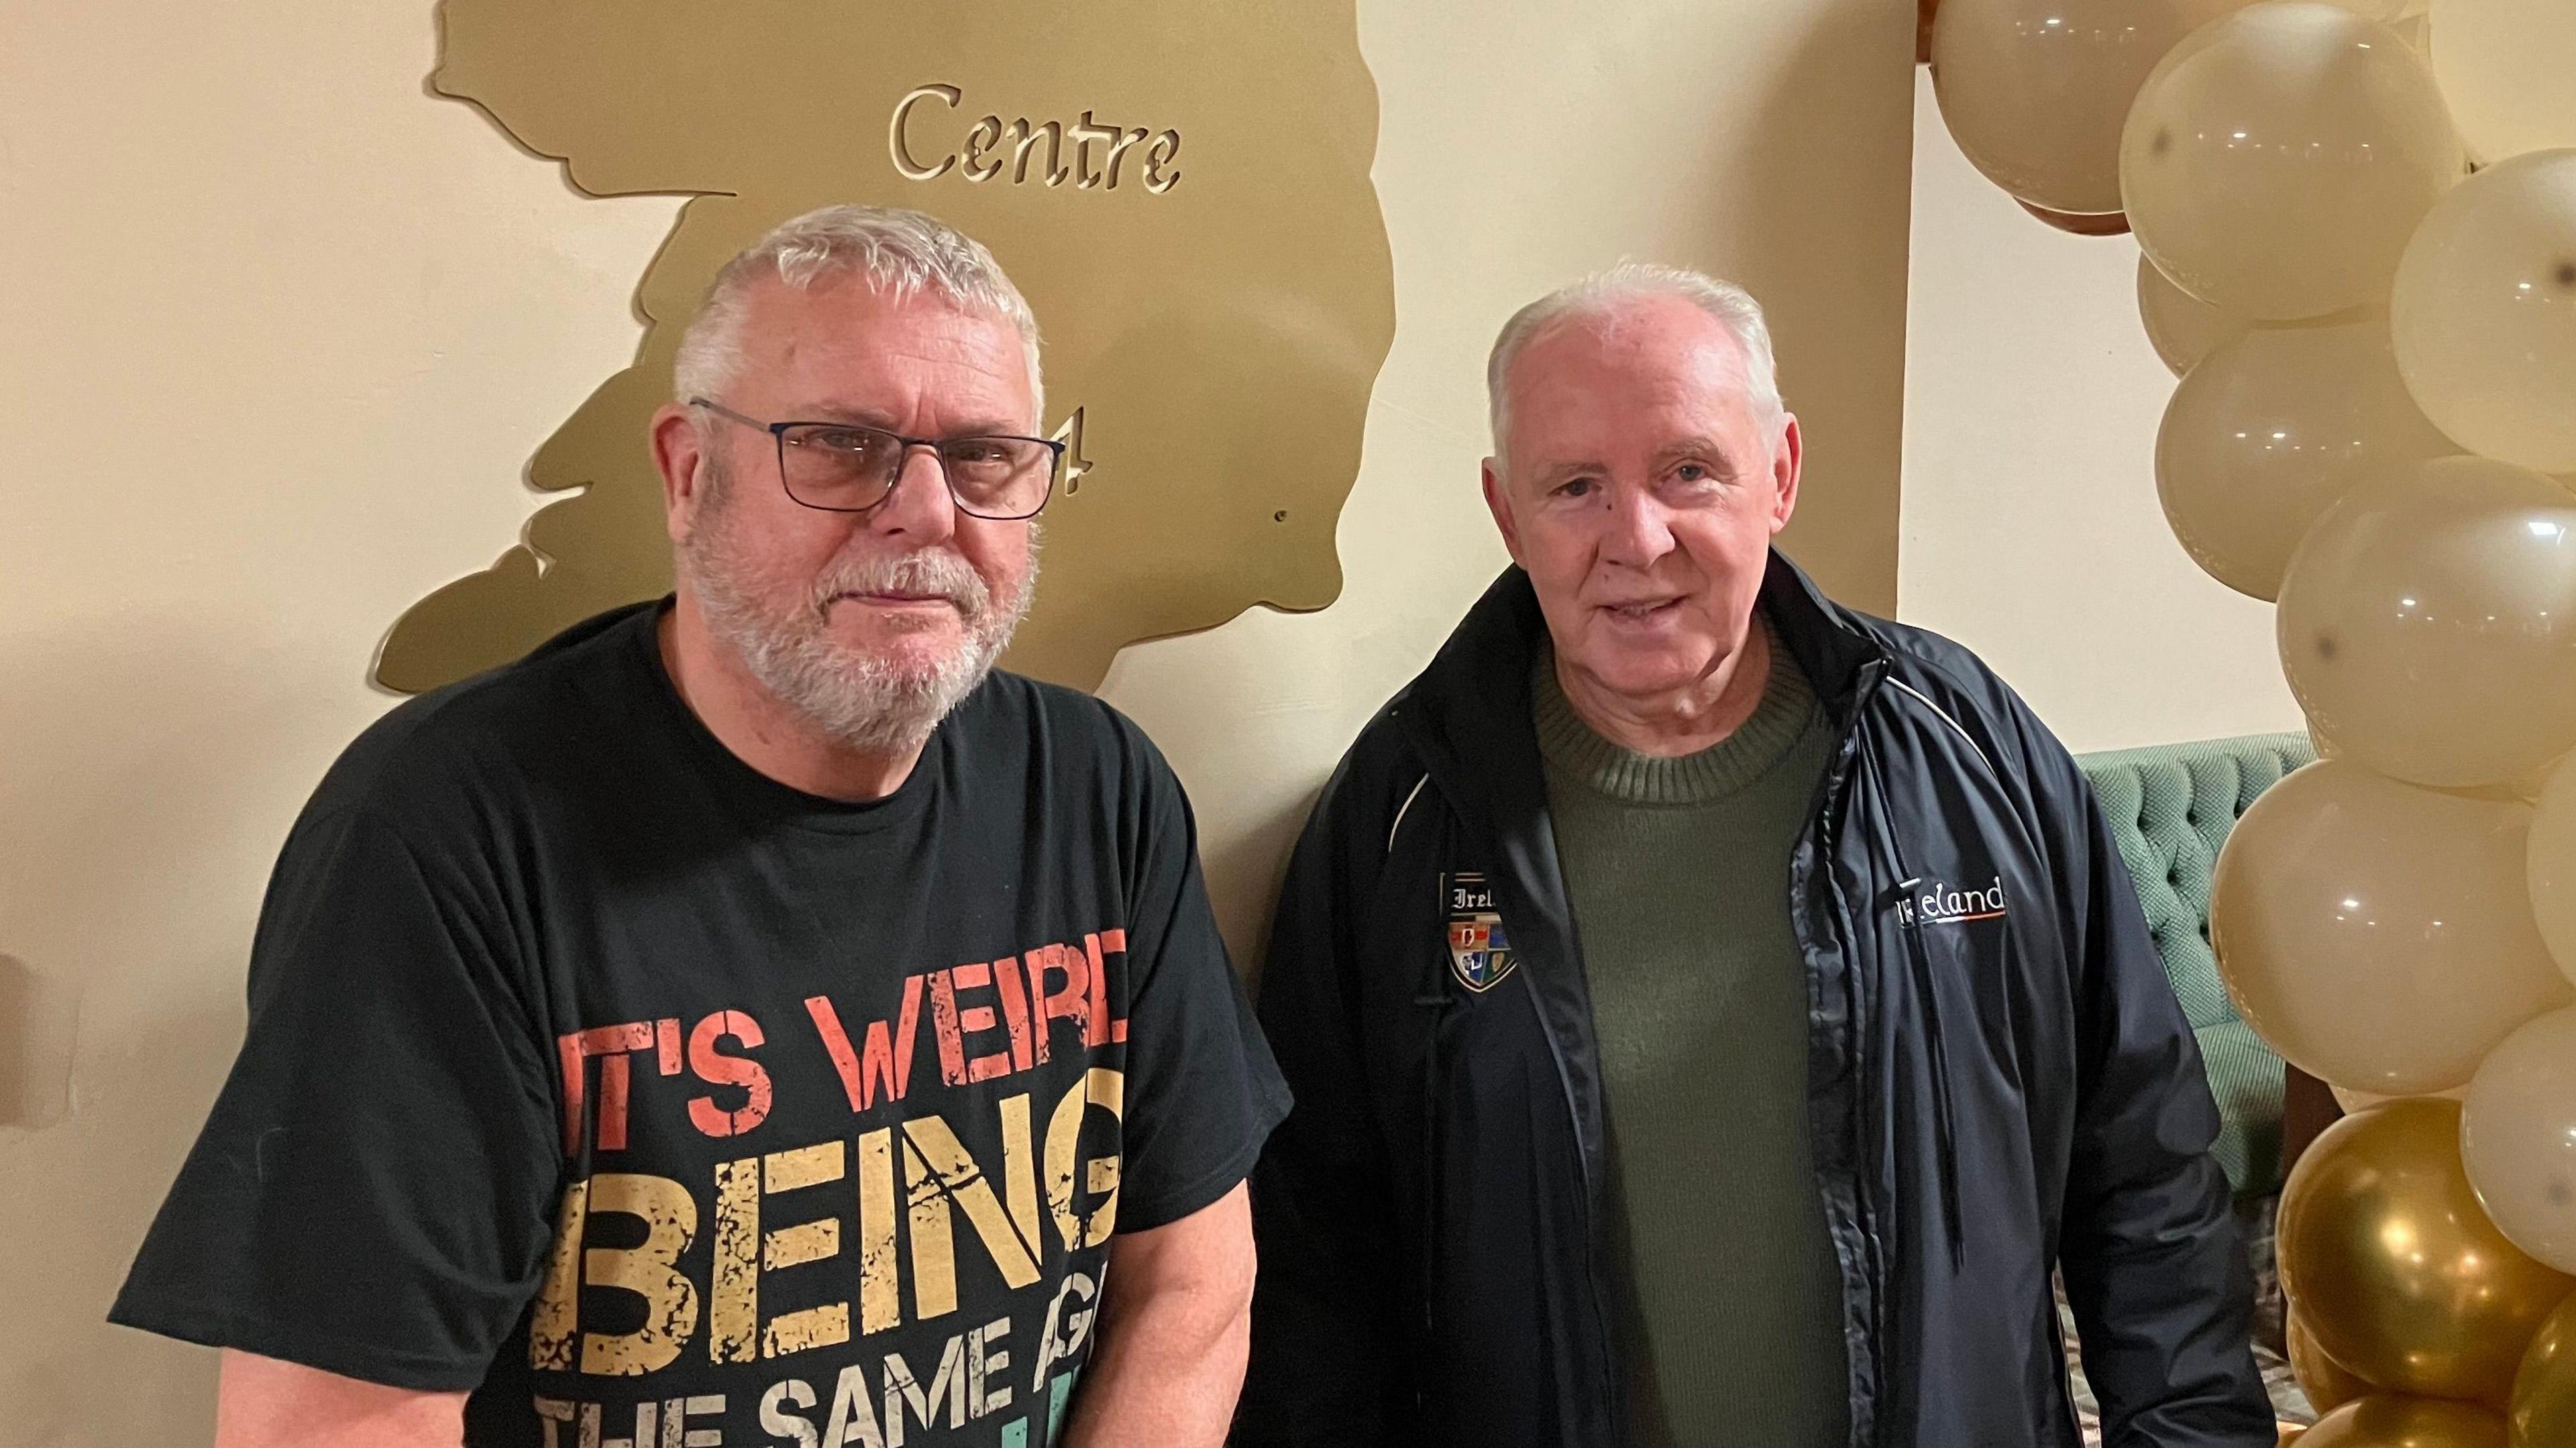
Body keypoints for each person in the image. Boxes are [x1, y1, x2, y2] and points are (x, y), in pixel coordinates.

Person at [111, 205, 1289, 1448]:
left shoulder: (1099, 791)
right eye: (841, 445)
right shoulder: (448, 837)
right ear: (687, 474)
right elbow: (338, 1424)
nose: (927, 512)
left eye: (987, 456)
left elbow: (1192, 1285)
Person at [1237, 265, 2273, 1447]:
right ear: (1506, 513)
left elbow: (2142, 1166)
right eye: (1575, 486)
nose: (1637, 538)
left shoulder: (1965, 747)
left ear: (1778, 473)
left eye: (1687, 469)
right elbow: (1312, 1258)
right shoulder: (1406, 808)